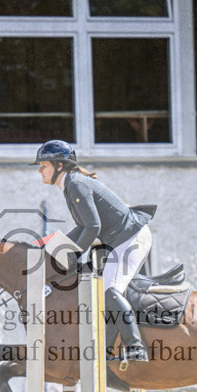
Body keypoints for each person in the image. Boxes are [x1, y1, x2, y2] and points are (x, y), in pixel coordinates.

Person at [32, 140, 152, 363]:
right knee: (105, 289)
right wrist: (53, 247)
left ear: (59, 166)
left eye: (43, 165)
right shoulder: (71, 184)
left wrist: (73, 254)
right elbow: (83, 227)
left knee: (109, 289)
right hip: (121, 239)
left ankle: (136, 347)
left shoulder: (76, 184)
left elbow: (93, 227)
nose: (39, 170)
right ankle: (109, 347)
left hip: (130, 238)